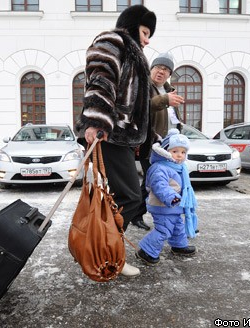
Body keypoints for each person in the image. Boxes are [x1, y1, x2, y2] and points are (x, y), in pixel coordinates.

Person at [75, 5, 157, 277]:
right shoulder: (113, 41)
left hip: (119, 136)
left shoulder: (133, 53)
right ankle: (107, 251)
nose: (147, 40)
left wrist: (148, 135)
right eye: (145, 32)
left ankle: (106, 249)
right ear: (133, 25)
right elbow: (101, 79)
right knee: (130, 197)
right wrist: (97, 121)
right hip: (108, 134)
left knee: (117, 198)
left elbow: (136, 103)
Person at [131, 52, 185, 230]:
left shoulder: (169, 90)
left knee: (171, 180)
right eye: (158, 67)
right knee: (151, 179)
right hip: (152, 145)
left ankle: (173, 215)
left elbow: (173, 118)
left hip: (170, 147)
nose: (161, 72)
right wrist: (165, 100)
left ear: (169, 74)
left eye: (166, 69)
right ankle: (136, 215)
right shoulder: (144, 86)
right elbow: (141, 107)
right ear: (151, 69)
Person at [135, 129, 198, 265]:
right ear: (165, 151)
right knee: (164, 229)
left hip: (175, 206)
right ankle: (146, 251)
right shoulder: (159, 168)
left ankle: (179, 245)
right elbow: (159, 186)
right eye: (175, 151)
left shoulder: (179, 168)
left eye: (183, 152)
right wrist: (171, 198)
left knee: (177, 226)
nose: (179, 155)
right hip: (162, 206)